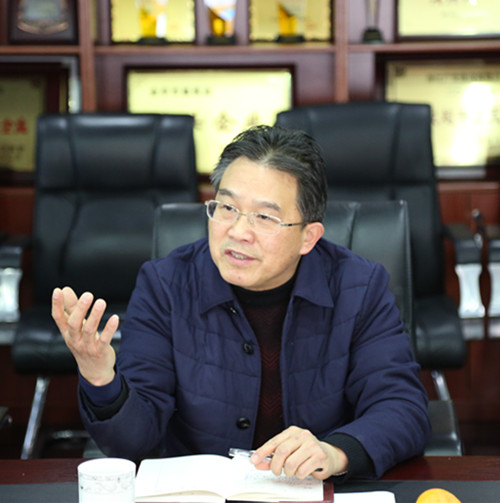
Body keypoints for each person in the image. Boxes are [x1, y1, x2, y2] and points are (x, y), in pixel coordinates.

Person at [52, 125, 431, 481]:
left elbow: (403, 408)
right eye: (226, 208)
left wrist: (335, 452)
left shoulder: (359, 286)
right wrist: (100, 376)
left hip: (310, 491)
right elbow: (131, 443)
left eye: (264, 217)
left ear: (308, 237)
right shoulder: (165, 285)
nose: (237, 231)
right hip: (200, 493)